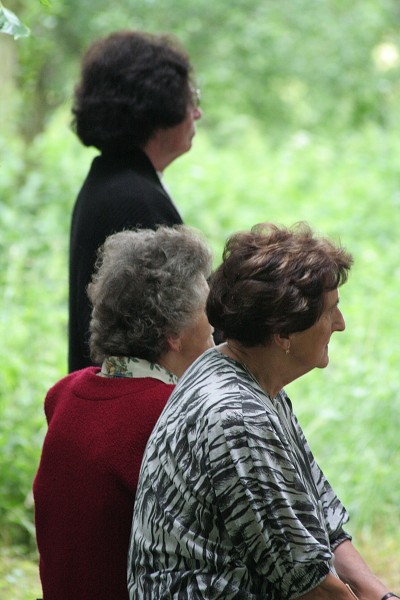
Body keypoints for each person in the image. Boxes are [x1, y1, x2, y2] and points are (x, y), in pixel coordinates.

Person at [128, 222, 396, 600]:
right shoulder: (235, 416)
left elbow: (325, 521)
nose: (341, 324)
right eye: (330, 311)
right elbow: (311, 584)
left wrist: (381, 596)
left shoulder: (251, 380)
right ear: (283, 333)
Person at [34, 225, 214, 600]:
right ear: (173, 333)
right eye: (205, 310)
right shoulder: (175, 414)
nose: (214, 324)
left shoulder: (65, 393)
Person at [68, 30, 202, 373]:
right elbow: (172, 323)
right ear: (159, 105)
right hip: (136, 400)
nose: (197, 113)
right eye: (191, 99)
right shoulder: (133, 199)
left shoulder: (112, 179)